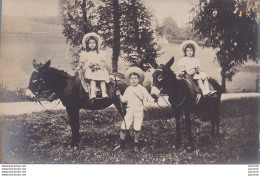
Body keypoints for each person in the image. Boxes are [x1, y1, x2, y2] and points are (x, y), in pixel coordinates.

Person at [115, 67, 155, 152]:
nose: (133, 80)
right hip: (129, 110)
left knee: (137, 129)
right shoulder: (128, 89)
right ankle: (122, 144)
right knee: (123, 128)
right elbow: (124, 100)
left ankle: (136, 144)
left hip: (139, 111)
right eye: (132, 78)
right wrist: (119, 96)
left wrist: (154, 98)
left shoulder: (142, 88)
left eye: (135, 78)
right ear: (129, 80)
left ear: (139, 80)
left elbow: (148, 97)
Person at [76, 32, 110, 99]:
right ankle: (92, 93)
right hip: (89, 70)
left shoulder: (100, 53)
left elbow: (103, 62)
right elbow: (82, 62)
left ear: (96, 44)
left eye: (93, 42)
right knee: (92, 79)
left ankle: (104, 93)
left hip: (98, 69)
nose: (92, 44)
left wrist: (98, 66)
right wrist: (78, 67)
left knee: (102, 79)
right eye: (90, 43)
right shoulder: (85, 53)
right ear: (87, 44)